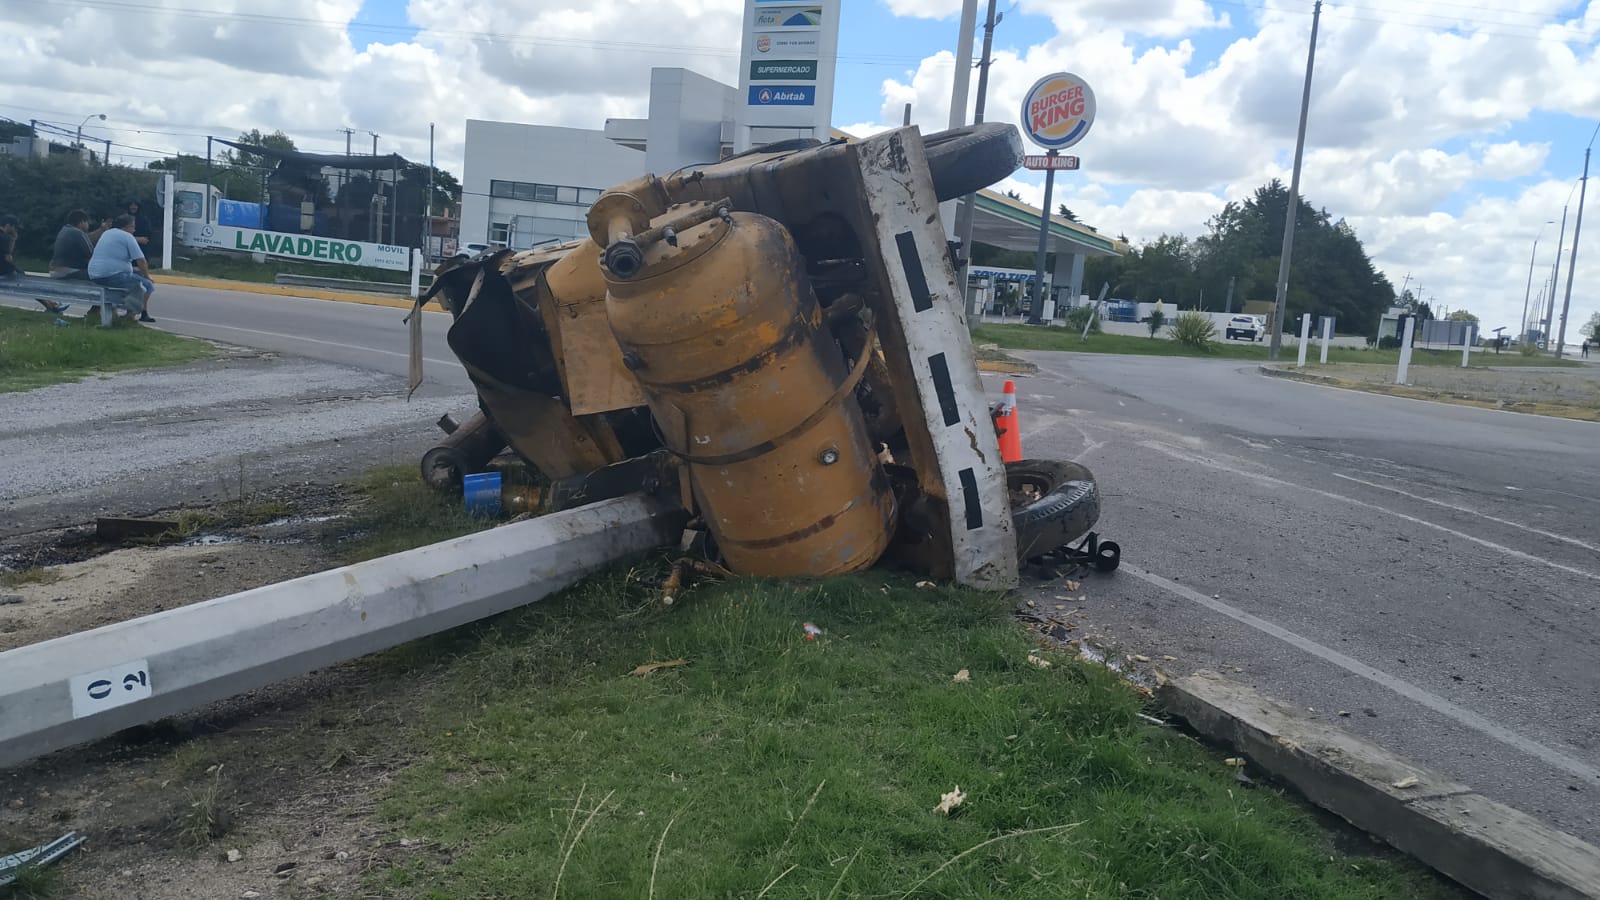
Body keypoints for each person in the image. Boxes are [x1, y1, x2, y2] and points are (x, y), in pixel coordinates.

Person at [87, 213, 155, 322]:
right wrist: (147, 276)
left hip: (95, 274)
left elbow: (113, 258)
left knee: (136, 276)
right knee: (147, 285)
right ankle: (131, 315)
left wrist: (134, 269)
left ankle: (125, 313)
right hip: (111, 276)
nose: (134, 230)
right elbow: (141, 261)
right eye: (133, 227)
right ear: (126, 227)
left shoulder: (107, 233)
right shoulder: (127, 236)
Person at [1, 213, 73, 314]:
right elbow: (8, 257)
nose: (16, 230)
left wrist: (13, 240)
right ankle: (52, 305)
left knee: (28, 285)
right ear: (8, 225)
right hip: (4, 270)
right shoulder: (3, 237)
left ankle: (51, 305)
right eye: (15, 228)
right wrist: (16, 268)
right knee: (29, 284)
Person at [49, 210, 109, 279]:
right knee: (103, 274)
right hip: (68, 272)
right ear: (82, 222)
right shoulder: (78, 233)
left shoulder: (65, 230)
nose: (88, 225)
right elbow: (92, 255)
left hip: (56, 271)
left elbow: (87, 238)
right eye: (87, 222)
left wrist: (101, 230)